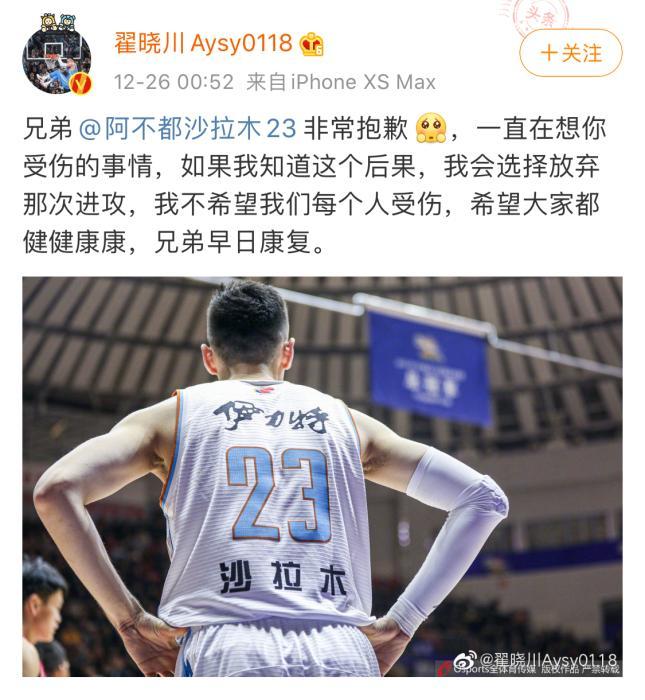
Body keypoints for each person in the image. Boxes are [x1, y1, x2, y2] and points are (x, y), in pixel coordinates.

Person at [34, 280, 508, 677]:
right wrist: (404, 621)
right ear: (288, 352)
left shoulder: (170, 418)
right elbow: (484, 499)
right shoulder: (350, 423)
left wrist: (129, 621)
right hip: (342, 647)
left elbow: (56, 491)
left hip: (226, 646)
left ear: (209, 358)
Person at [23, 556, 67, 676]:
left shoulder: (32, 654)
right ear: (35, 605)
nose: (59, 619)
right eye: (57, 608)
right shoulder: (24, 654)